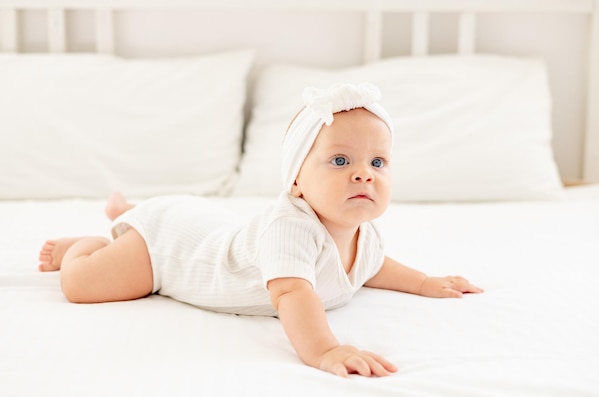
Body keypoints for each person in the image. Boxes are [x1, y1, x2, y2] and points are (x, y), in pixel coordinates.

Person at [38, 83, 483, 378]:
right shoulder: (291, 228)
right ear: (295, 181)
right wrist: (325, 351)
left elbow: (373, 267)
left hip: (204, 223)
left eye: (378, 162)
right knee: (81, 285)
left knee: (185, 219)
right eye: (341, 161)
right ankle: (90, 244)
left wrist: (424, 282)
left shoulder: (362, 232)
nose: (364, 175)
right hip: (168, 251)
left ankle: (133, 209)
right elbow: (293, 294)